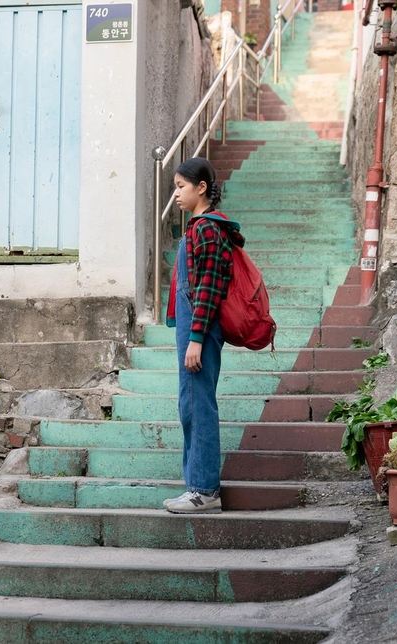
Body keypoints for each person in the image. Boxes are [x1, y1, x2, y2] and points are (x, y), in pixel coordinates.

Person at [163, 157, 244, 514]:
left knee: (198, 405)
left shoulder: (207, 230)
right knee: (191, 405)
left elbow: (209, 287)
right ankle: (196, 485)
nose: (176, 194)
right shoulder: (197, 228)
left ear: (201, 188)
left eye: (181, 187)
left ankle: (204, 490)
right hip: (195, 327)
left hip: (201, 328)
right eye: (175, 187)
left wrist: (196, 337)